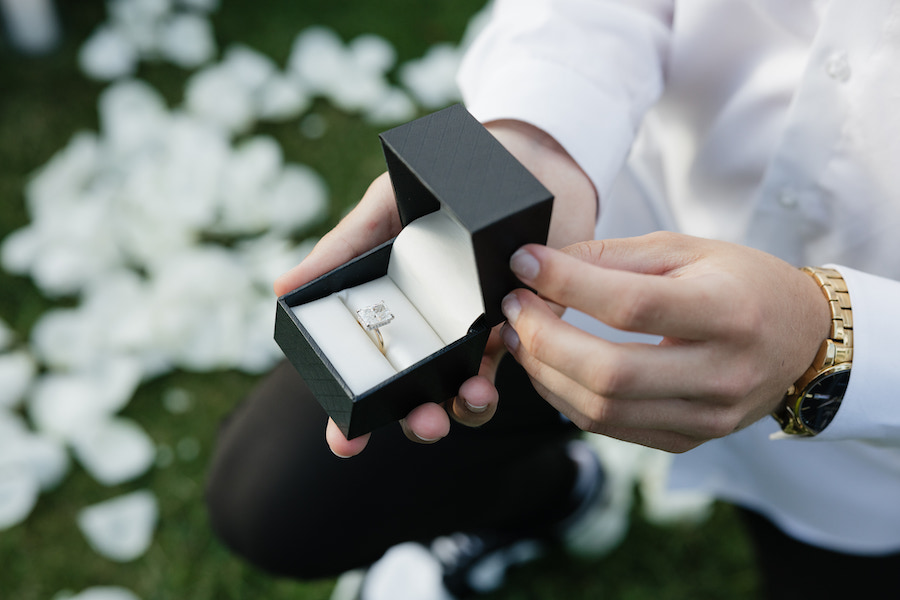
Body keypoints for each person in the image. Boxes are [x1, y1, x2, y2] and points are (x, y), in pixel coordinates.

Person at [207, 1, 900, 598]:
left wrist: (840, 339)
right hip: (598, 228)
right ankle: (557, 496)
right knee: (279, 497)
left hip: (871, 441)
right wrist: (536, 140)